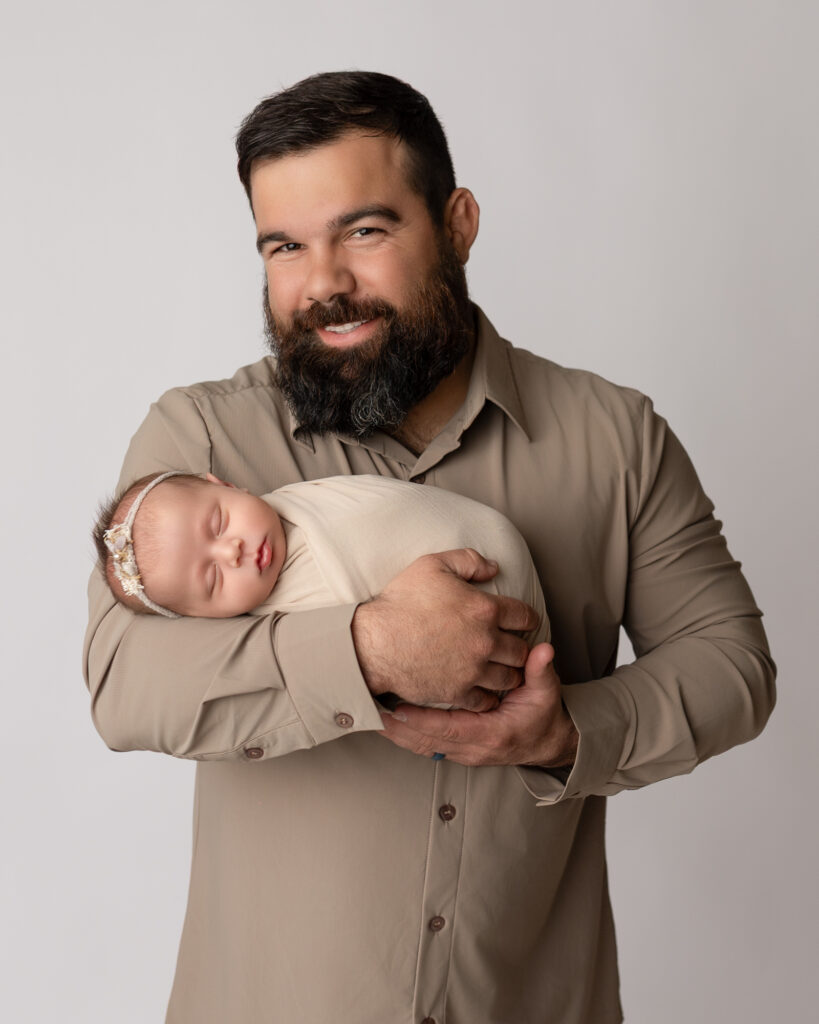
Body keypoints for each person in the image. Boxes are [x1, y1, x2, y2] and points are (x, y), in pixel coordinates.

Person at [83, 71, 775, 1024]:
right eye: (284, 246)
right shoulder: (201, 445)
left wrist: (566, 732)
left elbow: (731, 663)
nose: (322, 283)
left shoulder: (615, 438)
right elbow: (123, 684)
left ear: (456, 222)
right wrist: (363, 651)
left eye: (363, 232)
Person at [91, 470, 547, 658]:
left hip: (488, 548)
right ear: (207, 619)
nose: (232, 551)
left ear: (225, 484)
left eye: (219, 522)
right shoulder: (286, 629)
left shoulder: (301, 501)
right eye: (213, 579)